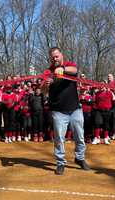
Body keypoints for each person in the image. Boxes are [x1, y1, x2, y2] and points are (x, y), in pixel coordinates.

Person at [47, 47, 90, 175]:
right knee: (59, 138)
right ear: (50, 58)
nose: (55, 59)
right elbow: (43, 90)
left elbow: (75, 70)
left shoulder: (69, 65)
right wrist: (45, 85)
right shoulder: (48, 71)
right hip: (58, 111)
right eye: (53, 57)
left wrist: (63, 69)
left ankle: (80, 158)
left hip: (75, 109)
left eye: (57, 56)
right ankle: (60, 163)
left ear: (61, 55)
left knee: (80, 137)